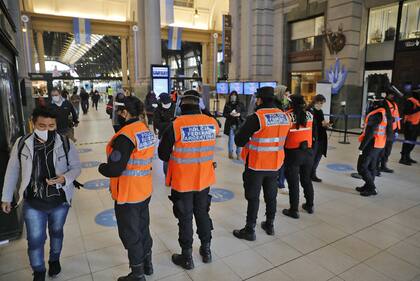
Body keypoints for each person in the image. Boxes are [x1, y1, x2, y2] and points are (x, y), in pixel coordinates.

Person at [1, 107, 81, 281]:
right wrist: (6, 197)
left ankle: (54, 260)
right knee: (35, 239)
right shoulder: (22, 143)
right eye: (42, 125)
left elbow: (76, 168)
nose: (46, 129)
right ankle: (38, 270)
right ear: (33, 123)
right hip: (33, 202)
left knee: (56, 232)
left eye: (51, 126)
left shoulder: (66, 143)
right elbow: (12, 171)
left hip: (59, 201)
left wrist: (64, 178)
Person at [158, 90, 219, 270]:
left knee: (184, 217)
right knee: (202, 213)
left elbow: (162, 154)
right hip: (204, 180)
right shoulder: (211, 123)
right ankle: (206, 251)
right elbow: (215, 125)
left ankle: (186, 257)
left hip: (183, 181)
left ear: (180, 106)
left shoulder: (175, 125)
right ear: (199, 105)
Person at [98, 96, 155, 281]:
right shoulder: (144, 130)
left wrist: (101, 168)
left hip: (128, 194)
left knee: (130, 233)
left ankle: (137, 274)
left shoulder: (125, 136)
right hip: (144, 189)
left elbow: (115, 168)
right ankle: (148, 264)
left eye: (119, 112)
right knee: (143, 227)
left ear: (124, 112)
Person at [233, 87, 290, 240]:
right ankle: (270, 224)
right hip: (275, 164)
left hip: (256, 165)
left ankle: (249, 230)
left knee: (253, 198)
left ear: (260, 100)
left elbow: (239, 140)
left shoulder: (257, 117)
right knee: (271, 196)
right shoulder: (285, 116)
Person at [282, 95, 314, 219]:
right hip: (308, 152)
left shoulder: (287, 116)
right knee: (306, 180)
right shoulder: (310, 115)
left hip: (293, 154)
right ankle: (310, 205)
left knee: (293, 183)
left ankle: (294, 210)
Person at [356, 96, 388, 196]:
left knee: (362, 167)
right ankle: (368, 185)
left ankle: (372, 188)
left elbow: (370, 133)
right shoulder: (383, 112)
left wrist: (362, 146)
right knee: (371, 167)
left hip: (372, 144)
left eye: (372, 102)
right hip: (379, 144)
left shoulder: (376, 114)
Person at [308, 94, 330, 182]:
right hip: (314, 138)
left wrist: (326, 125)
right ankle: (309, 173)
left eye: (323, 103)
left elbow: (322, 123)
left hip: (321, 137)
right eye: (321, 103)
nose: (321, 105)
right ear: (316, 101)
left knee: (318, 157)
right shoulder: (309, 111)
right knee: (313, 157)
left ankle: (313, 173)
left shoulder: (320, 111)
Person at [153, 93, 175, 176]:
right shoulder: (158, 110)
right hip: (164, 135)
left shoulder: (175, 107)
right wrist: (171, 124)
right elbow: (157, 123)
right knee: (166, 154)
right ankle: (167, 174)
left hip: (176, 135)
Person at [379, 90, 401, 172]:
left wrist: (397, 129)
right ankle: (377, 166)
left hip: (393, 129)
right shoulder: (383, 103)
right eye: (391, 95)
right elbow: (385, 116)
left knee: (388, 150)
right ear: (387, 95)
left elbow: (397, 116)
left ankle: (383, 165)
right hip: (386, 129)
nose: (393, 96)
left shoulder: (394, 104)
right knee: (382, 149)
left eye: (393, 95)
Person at [223, 91, 245, 159]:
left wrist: (240, 114)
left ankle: (238, 153)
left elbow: (244, 112)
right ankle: (230, 153)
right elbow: (224, 114)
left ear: (237, 96)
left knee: (239, 139)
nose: (233, 96)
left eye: (235, 95)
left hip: (239, 124)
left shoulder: (240, 104)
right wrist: (230, 115)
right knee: (231, 140)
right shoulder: (227, 104)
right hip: (231, 124)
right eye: (232, 95)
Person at [400, 89, 419, 165]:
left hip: (416, 124)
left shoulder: (418, 102)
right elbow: (406, 112)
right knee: (407, 141)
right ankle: (403, 158)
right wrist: (417, 109)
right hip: (409, 124)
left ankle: (408, 156)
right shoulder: (410, 101)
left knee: (412, 142)